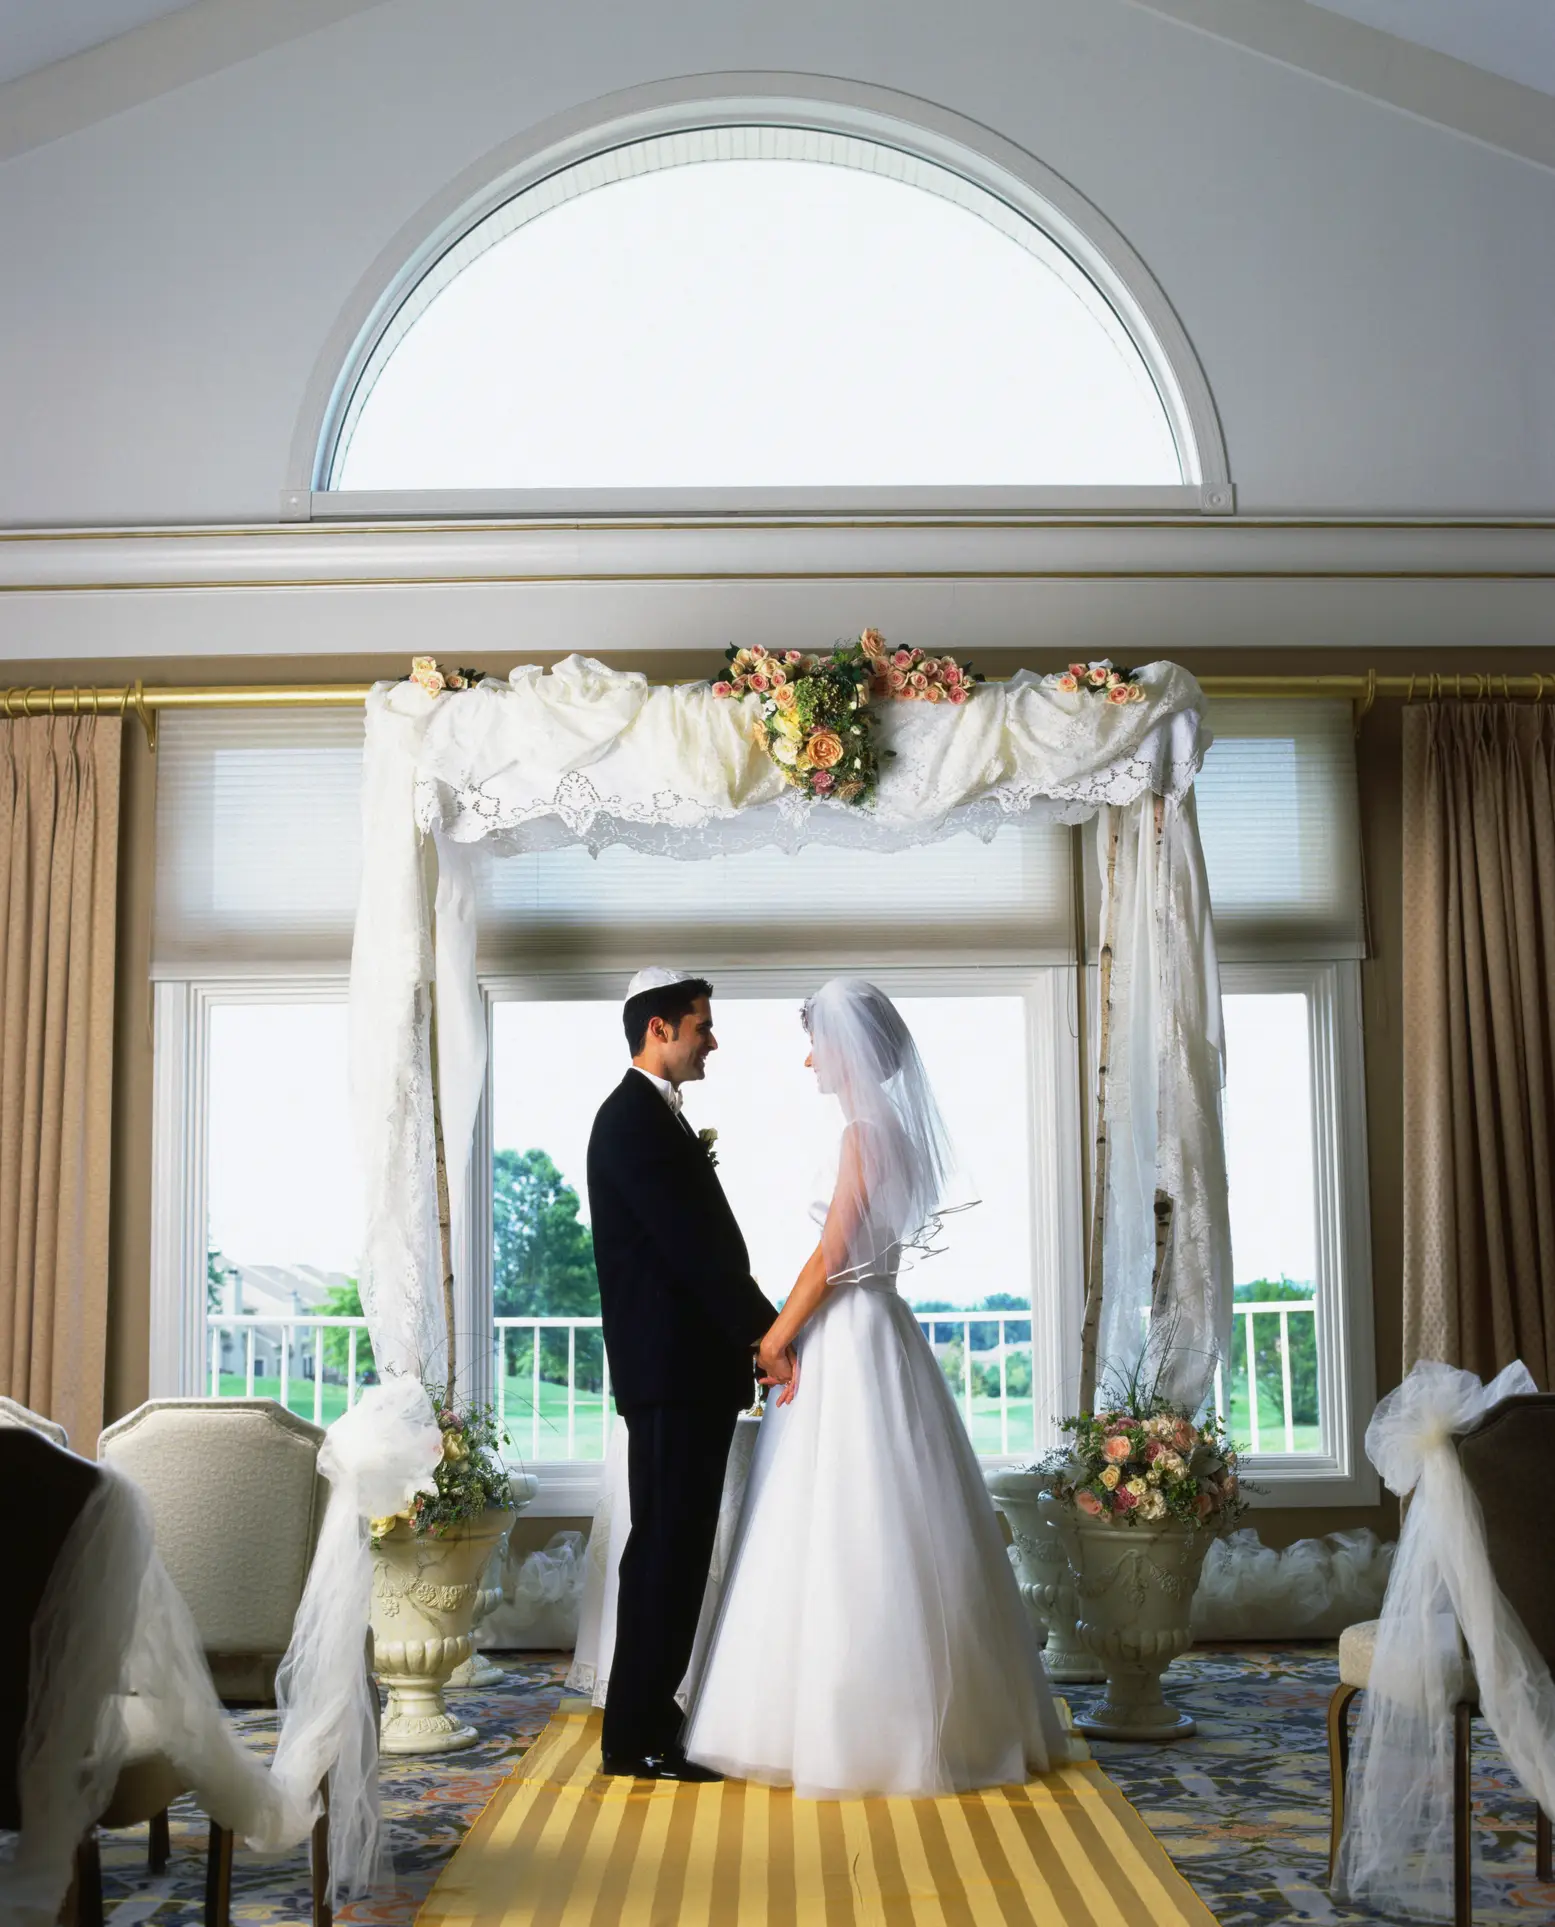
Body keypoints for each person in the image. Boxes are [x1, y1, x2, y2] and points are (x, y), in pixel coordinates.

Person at [681, 977, 1069, 1798]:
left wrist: (774, 1337)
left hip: (852, 1329)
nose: (810, 1056)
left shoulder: (863, 1131)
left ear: (849, 1049)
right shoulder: (887, 1128)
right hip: (881, 1326)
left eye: (817, 1040)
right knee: (880, 1512)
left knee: (851, 1515)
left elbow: (831, 1256)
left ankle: (860, 1727)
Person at [585, 967, 792, 1781]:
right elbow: (696, 1254)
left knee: (671, 1549)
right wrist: (766, 1333)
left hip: (679, 1374)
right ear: (660, 1029)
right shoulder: (632, 1119)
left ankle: (646, 1717)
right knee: (667, 1551)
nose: (713, 1039)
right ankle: (635, 1734)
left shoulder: (648, 1117)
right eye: (702, 1025)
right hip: (671, 1376)